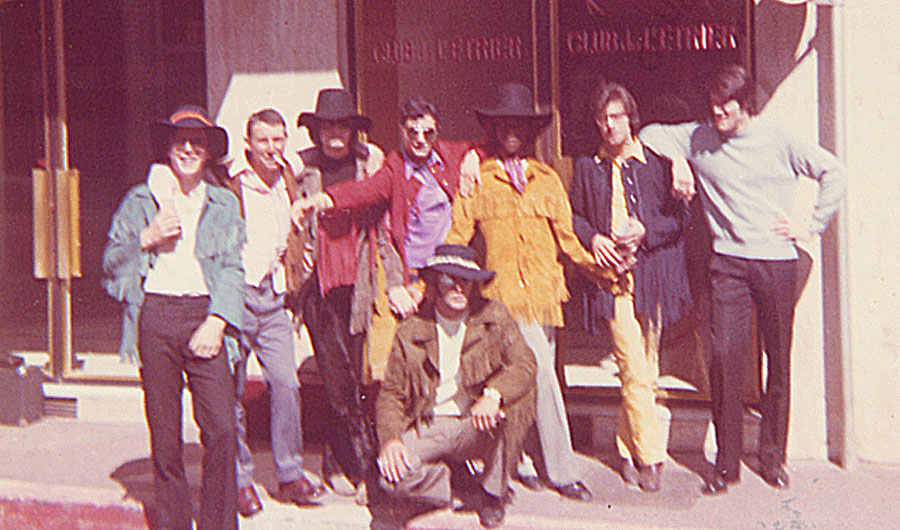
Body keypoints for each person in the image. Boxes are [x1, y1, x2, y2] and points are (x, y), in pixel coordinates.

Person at [639, 64, 847, 494]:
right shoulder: (699, 136)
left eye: (725, 106)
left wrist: (810, 226)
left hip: (775, 262)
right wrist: (679, 160)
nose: (717, 112)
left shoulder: (778, 139)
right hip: (728, 263)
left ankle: (772, 458)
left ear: (745, 104)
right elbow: (649, 134)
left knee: (777, 361)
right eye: (713, 105)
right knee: (724, 359)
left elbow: (834, 172)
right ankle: (726, 464)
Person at [446, 82, 605, 501]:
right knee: (540, 377)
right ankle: (562, 470)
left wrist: (600, 269)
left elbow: (568, 239)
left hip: (543, 298)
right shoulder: (478, 178)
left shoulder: (548, 179)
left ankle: (521, 462)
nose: (511, 132)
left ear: (531, 131)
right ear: (493, 130)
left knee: (528, 382)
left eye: (519, 125)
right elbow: (459, 234)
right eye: (503, 125)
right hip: (501, 300)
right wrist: (438, 277)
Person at [102, 105, 244, 530]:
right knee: (165, 436)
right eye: (180, 141)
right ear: (168, 148)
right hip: (157, 315)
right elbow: (110, 263)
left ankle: (219, 524)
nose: (188, 149)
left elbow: (233, 268)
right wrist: (146, 238)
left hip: (204, 315)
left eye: (197, 142)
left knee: (221, 429)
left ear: (208, 152)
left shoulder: (223, 202)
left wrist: (217, 322)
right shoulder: (140, 200)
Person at [296, 96, 480, 378]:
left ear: (437, 132)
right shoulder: (395, 165)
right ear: (402, 131)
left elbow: (486, 146)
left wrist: (474, 157)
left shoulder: (450, 155)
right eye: (412, 132)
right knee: (397, 353)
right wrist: (324, 199)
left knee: (450, 349)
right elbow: (367, 190)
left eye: (428, 133)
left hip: (446, 271)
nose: (420, 140)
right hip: (410, 273)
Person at [569, 82, 692, 492]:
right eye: (603, 118)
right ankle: (650, 458)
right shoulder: (588, 166)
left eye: (617, 117)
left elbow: (680, 219)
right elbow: (574, 216)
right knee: (633, 368)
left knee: (647, 370)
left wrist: (645, 230)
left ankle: (625, 448)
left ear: (630, 119)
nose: (609, 125)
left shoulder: (656, 162)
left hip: (652, 278)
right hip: (612, 282)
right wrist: (593, 238)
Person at [374, 244, 537, 528]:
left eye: (467, 281)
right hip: (430, 421)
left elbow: (525, 365)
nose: (459, 288)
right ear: (435, 284)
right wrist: (390, 440)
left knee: (517, 400)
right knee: (390, 478)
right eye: (449, 280)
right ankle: (450, 482)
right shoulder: (411, 329)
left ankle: (491, 494)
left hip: (478, 422)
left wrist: (493, 394)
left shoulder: (494, 317)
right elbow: (391, 394)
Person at [292, 88, 401, 499]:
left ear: (353, 131)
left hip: (359, 287)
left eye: (341, 126)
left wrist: (394, 282)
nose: (334, 134)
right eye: (327, 127)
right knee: (336, 378)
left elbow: (383, 232)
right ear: (316, 131)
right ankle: (362, 466)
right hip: (317, 287)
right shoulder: (301, 170)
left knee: (353, 378)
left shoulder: (368, 167)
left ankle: (336, 462)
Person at [220, 108, 324, 516]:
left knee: (286, 383)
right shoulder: (230, 181)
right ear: (247, 143)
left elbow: (319, 153)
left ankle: (289, 474)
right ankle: (240, 480)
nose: (271, 148)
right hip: (237, 298)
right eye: (262, 140)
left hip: (275, 298)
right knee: (231, 392)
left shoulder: (288, 177)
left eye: (278, 139)